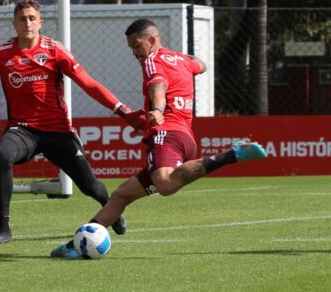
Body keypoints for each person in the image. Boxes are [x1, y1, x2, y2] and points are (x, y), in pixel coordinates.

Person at [0, 0, 145, 245]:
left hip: (58, 131)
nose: (27, 23)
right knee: (3, 153)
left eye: (32, 18)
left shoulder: (54, 50)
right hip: (23, 130)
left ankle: (111, 208)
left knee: (90, 186)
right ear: (13, 24)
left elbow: (88, 84)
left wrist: (124, 112)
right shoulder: (1, 54)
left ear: (40, 23)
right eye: (22, 19)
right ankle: (4, 229)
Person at [50, 18, 267, 259]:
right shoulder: (181, 60)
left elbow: (158, 87)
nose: (134, 52)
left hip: (167, 134)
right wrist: (176, 58)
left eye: (136, 45)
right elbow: (202, 65)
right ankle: (76, 245)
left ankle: (232, 154)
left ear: (152, 41)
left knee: (164, 183)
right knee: (122, 195)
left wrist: (158, 110)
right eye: (131, 47)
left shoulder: (152, 62)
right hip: (186, 140)